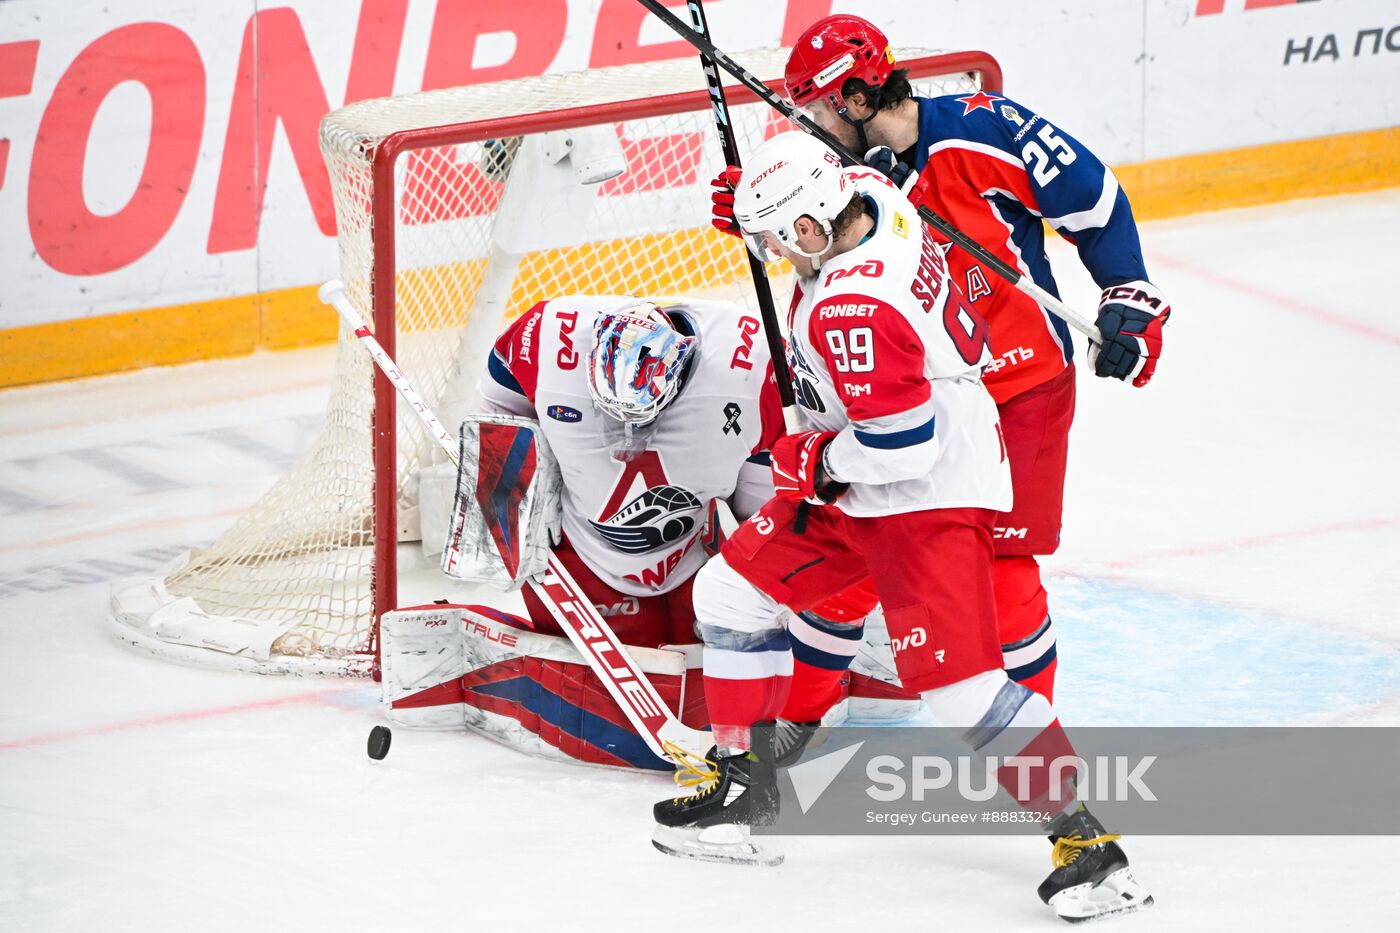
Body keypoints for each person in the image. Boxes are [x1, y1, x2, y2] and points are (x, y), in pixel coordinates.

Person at [654, 131, 1149, 922]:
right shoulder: (872, 197)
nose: (777, 254)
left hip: (924, 491)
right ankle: (746, 789)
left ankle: (1087, 844)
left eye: (782, 241)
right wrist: (754, 209)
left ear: (815, 230)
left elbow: (900, 443)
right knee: (732, 592)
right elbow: (822, 192)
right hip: (877, 465)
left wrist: (811, 460)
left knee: (959, 691)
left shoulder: (854, 306)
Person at [712, 14, 1174, 748]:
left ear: (860, 100)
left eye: (822, 109)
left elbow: (1094, 198)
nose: (813, 125)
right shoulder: (850, 181)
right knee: (851, 557)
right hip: (905, 392)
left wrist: (1128, 293)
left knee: (1004, 574)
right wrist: (763, 209)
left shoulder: (979, 133)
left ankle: (1033, 747)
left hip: (1018, 390)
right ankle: (795, 727)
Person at [465, 294, 783, 767]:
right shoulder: (544, 337)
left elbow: (764, 504)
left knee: (709, 671)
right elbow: (493, 423)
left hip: (693, 553)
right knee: (597, 702)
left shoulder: (752, 363)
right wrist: (508, 509)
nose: (626, 434)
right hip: (578, 553)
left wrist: (762, 577)